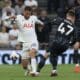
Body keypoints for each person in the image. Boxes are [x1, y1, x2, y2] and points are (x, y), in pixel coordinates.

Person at [5, 6, 44, 76]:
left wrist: (41, 26)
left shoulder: (33, 18)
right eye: (26, 13)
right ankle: (28, 69)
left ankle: (34, 71)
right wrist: (10, 17)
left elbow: (41, 23)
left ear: (30, 13)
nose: (28, 14)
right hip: (24, 44)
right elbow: (7, 19)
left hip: (33, 41)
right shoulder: (19, 17)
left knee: (32, 53)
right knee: (24, 66)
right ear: (24, 12)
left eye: (29, 13)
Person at [47, 11, 76, 76]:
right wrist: (70, 44)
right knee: (55, 54)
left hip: (56, 41)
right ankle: (53, 70)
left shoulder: (61, 20)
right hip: (65, 45)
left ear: (67, 15)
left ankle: (53, 70)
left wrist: (49, 30)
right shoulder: (74, 27)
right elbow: (75, 39)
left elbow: (50, 23)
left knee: (51, 54)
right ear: (73, 17)